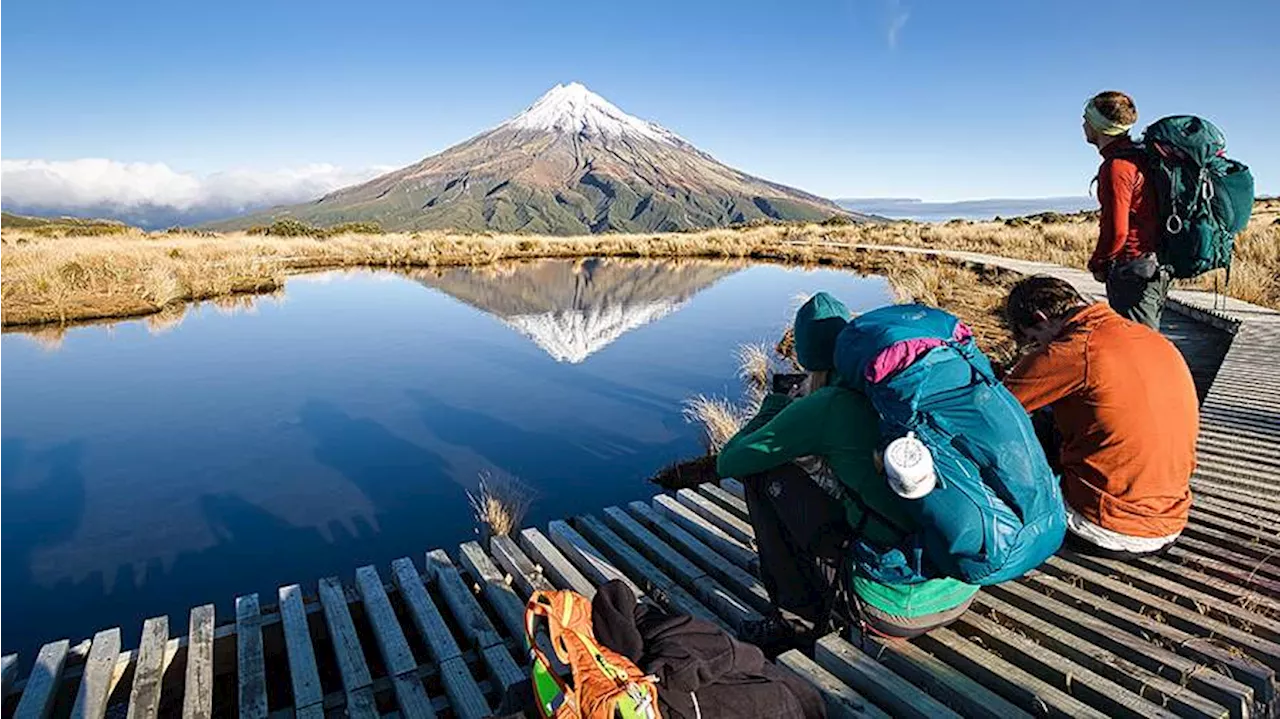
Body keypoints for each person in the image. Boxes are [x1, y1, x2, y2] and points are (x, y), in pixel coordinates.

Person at [716, 293, 978, 640]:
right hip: (960, 584)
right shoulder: (894, 388)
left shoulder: (827, 405)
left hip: (892, 610)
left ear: (809, 359)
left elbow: (728, 461)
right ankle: (797, 571)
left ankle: (795, 620)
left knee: (766, 474)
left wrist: (774, 405)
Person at [1003, 275, 1197, 558]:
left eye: (1034, 341)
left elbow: (991, 408)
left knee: (1013, 431)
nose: (1037, 349)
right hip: (1170, 518)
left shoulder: (1072, 349)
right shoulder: (1147, 336)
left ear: (1041, 317)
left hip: (1109, 526)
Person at [1083, 90, 1170, 330]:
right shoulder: (1138, 156)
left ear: (1099, 126)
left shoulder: (1117, 167)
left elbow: (1117, 231)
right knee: (1143, 337)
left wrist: (1098, 263)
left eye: (1086, 118)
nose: (1083, 124)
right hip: (1150, 263)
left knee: (1138, 341)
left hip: (1132, 267)